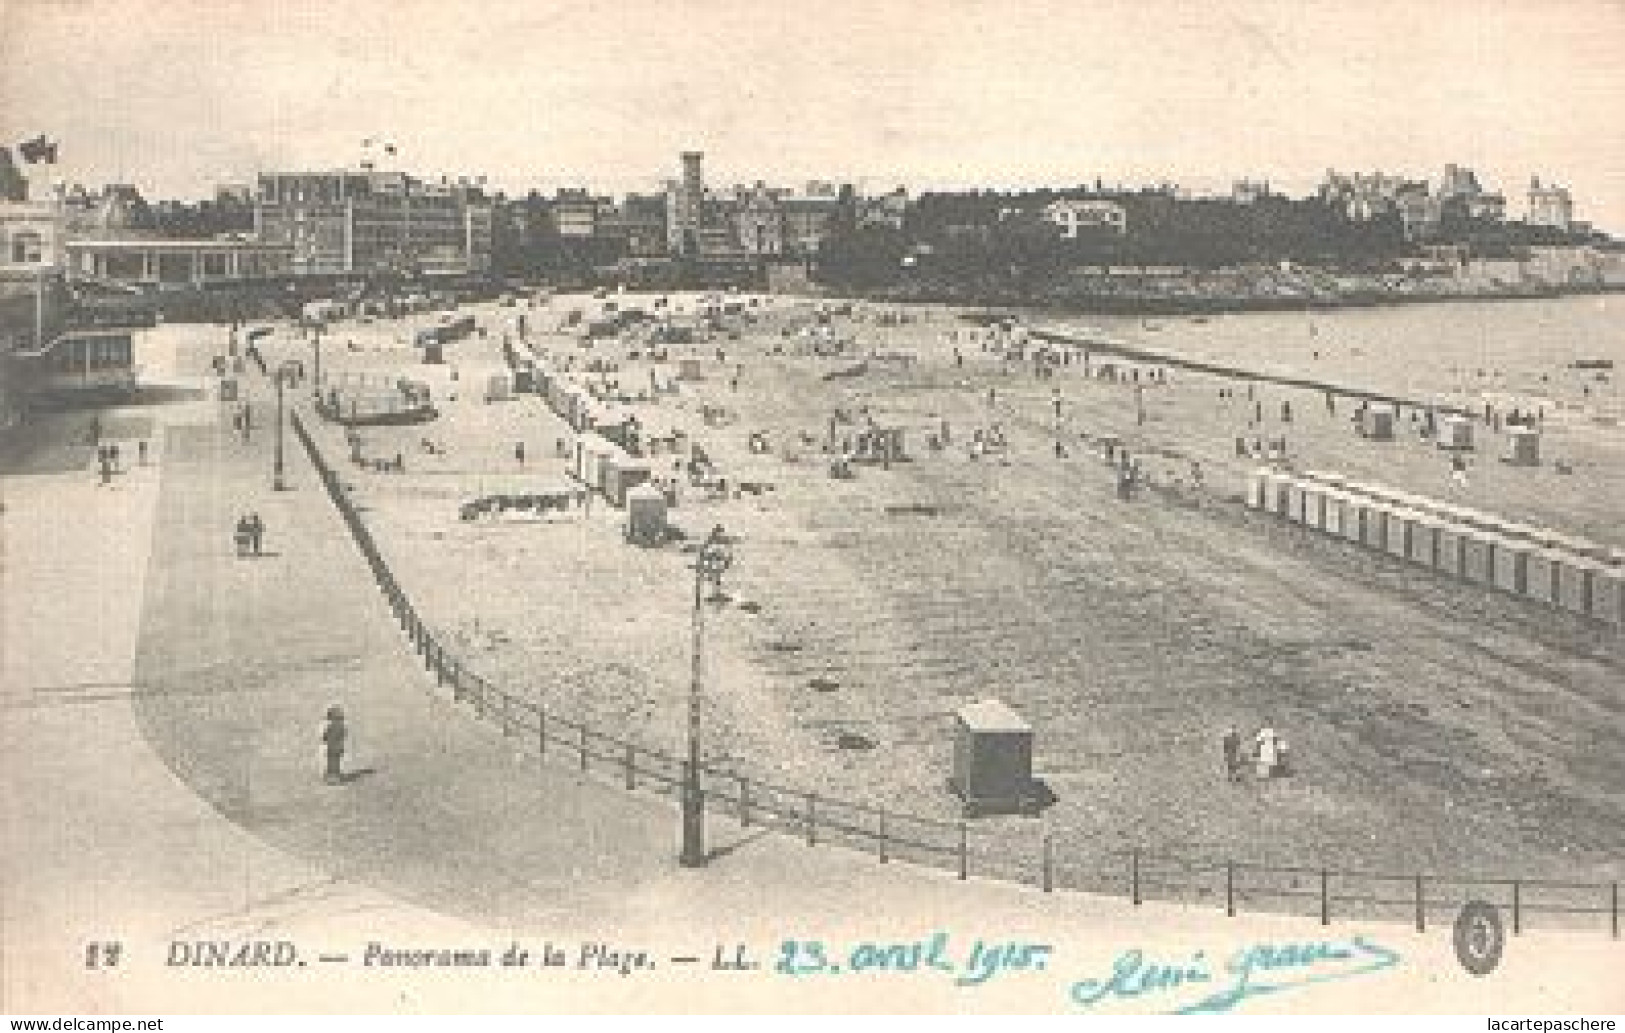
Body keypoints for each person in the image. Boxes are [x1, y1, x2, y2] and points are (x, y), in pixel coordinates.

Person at [321, 706, 347, 785]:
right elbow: (342, 736)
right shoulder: (340, 727)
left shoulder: (333, 726)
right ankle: (334, 776)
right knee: (334, 762)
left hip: (332, 747)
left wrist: (325, 737)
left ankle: (332, 776)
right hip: (334, 747)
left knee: (332, 762)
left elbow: (325, 736)